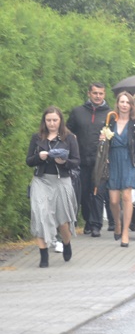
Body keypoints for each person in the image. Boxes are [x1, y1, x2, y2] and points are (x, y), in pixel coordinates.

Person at [27, 106, 80, 267]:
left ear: (60, 121)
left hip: (61, 181)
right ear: (44, 121)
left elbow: (77, 161)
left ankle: (66, 242)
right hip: (41, 181)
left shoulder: (69, 138)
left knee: (62, 219)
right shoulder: (37, 138)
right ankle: (44, 255)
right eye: (48, 120)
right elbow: (29, 161)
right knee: (40, 214)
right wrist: (39, 157)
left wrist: (64, 162)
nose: (51, 123)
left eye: (55, 120)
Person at [67, 82, 112, 237]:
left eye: (100, 93)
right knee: (84, 193)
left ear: (104, 94)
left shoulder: (110, 114)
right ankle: (87, 220)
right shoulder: (78, 112)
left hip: (100, 161)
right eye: (95, 93)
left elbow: (116, 137)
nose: (98, 96)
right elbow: (67, 130)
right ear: (89, 94)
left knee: (98, 192)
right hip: (80, 159)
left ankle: (96, 225)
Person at [104, 92, 135, 246]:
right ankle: (117, 223)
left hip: (129, 161)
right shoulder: (110, 122)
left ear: (131, 105)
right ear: (117, 104)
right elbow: (104, 144)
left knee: (127, 197)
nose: (124, 105)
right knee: (114, 200)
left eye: (127, 102)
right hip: (113, 161)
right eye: (121, 102)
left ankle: (125, 232)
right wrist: (103, 143)